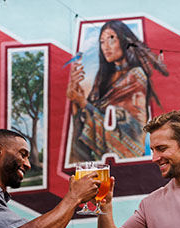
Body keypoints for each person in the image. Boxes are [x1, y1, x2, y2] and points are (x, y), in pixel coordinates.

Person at [67, 20, 168, 162]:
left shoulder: (136, 76)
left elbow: (130, 127)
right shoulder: (103, 78)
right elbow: (88, 115)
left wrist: (82, 102)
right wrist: (77, 99)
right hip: (96, 156)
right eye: (102, 42)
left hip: (123, 157)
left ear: (124, 41)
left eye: (111, 39)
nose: (105, 47)